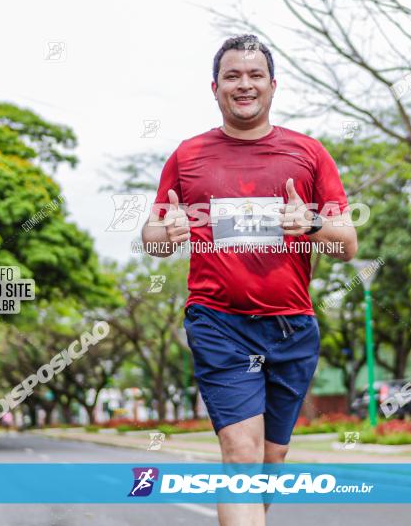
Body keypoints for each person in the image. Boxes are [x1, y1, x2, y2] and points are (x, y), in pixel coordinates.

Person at [141, 34, 357, 525]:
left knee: (269, 462)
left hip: (291, 327)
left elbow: (347, 243)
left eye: (255, 75)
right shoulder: (188, 155)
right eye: (233, 76)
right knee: (241, 455)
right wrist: (165, 230)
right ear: (214, 87)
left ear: (273, 85)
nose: (244, 84)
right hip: (219, 322)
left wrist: (313, 224)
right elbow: (153, 235)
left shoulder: (308, 154)